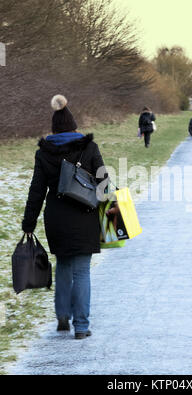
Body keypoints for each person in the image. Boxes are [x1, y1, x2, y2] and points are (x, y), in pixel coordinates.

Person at [21, 94, 107, 340]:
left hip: (56, 217)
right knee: (81, 270)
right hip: (84, 215)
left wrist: (29, 222)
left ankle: (62, 316)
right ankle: (81, 326)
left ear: (54, 129)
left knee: (64, 266)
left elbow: (36, 190)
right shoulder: (89, 147)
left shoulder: (44, 152)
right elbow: (104, 182)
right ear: (74, 126)